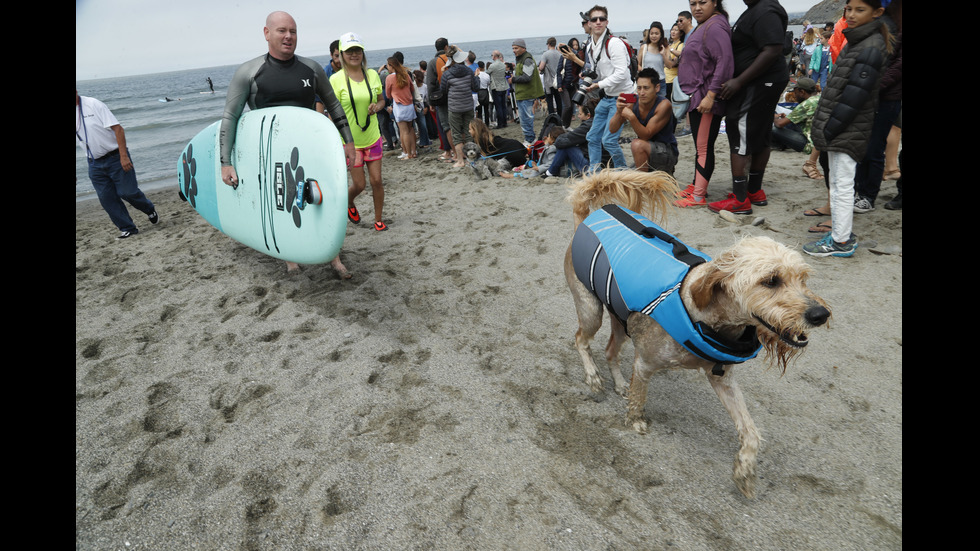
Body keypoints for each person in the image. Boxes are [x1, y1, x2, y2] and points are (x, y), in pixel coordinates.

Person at [219, 11, 355, 275]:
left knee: (323, 198)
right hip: (268, 154)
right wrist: (226, 162)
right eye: (282, 31)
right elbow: (230, 116)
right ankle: (290, 256)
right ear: (266, 33)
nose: (289, 36)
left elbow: (333, 105)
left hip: (310, 149)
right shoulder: (249, 71)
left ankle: (333, 257)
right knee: (279, 203)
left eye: (293, 31)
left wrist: (348, 142)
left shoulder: (311, 69)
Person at [804, 0, 894, 257]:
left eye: (860, 10)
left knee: (843, 183)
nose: (852, 15)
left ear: (877, 13)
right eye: (849, 9)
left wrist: (830, 128)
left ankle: (840, 241)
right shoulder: (859, 41)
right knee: (838, 180)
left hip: (847, 126)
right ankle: (840, 233)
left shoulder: (870, 46)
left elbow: (855, 96)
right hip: (842, 124)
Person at [709, 0, 789, 216]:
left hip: (759, 82)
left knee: (739, 128)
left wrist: (740, 81)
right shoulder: (758, 9)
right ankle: (754, 190)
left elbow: (773, 49)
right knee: (761, 131)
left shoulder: (765, 11)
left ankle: (740, 199)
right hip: (766, 81)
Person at [674, 0, 734, 207]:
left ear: (715, 2)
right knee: (700, 146)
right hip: (698, 96)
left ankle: (698, 195)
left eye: (703, 2)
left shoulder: (715, 25)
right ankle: (696, 185)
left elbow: (724, 62)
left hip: (706, 98)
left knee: (703, 147)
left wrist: (710, 95)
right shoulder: (706, 24)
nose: (697, 7)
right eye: (693, 3)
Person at [76, 90, 159, 239]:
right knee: (106, 198)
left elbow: (118, 129)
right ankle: (128, 228)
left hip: (115, 157)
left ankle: (149, 208)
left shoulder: (93, 104)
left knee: (128, 193)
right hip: (94, 163)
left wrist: (124, 156)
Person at [328, 32, 389, 235]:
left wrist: (378, 106)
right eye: (349, 51)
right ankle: (348, 202)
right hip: (350, 143)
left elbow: (382, 100)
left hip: (372, 137)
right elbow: (331, 112)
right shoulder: (335, 80)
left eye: (358, 50)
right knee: (360, 184)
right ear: (342, 54)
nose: (354, 54)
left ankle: (378, 219)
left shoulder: (372, 74)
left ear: (362, 52)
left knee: (377, 180)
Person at [853, 0, 901, 213]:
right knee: (865, 145)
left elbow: (896, 66)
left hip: (886, 96)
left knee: (873, 147)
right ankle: (862, 191)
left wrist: (871, 86)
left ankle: (867, 195)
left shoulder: (890, 25)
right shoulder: (884, 24)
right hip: (875, 94)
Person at [582, 4, 634, 170]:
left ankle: (622, 171)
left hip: (624, 97)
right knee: (592, 137)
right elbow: (601, 72)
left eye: (601, 19)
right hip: (608, 96)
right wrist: (589, 78)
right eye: (594, 19)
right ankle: (594, 173)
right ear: (588, 23)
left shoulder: (614, 43)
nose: (598, 22)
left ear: (606, 22)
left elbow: (622, 74)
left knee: (609, 140)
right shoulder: (591, 46)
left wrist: (598, 84)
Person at [608, 68, 677, 174]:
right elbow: (612, 129)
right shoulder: (634, 102)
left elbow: (646, 135)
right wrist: (619, 111)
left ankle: (643, 185)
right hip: (645, 150)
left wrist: (631, 117)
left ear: (657, 88)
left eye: (646, 88)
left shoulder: (664, 105)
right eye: (639, 88)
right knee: (625, 175)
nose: (642, 92)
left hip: (667, 152)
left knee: (637, 144)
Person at [440, 45, 480, 169]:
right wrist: (477, 77)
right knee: (469, 133)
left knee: (456, 134)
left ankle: (460, 161)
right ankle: (469, 160)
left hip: (454, 107)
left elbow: (443, 90)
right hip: (468, 105)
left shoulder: (447, 74)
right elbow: (475, 88)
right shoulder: (468, 71)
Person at [545, 101, 595, 177]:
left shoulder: (587, 126)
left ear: (588, 115)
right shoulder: (597, 122)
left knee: (566, 146)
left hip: (590, 166)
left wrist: (559, 139)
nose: (578, 116)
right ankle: (551, 171)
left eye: (580, 114)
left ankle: (551, 171)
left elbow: (565, 141)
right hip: (598, 162)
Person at [425, 38, 455, 162]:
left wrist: (431, 102)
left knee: (445, 125)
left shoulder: (433, 62)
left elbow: (431, 84)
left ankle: (448, 151)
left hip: (441, 98)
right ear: (446, 47)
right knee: (457, 124)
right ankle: (458, 150)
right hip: (456, 95)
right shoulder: (453, 59)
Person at [511, 39, 544, 146]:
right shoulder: (521, 59)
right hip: (522, 94)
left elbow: (527, 77)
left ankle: (530, 139)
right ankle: (529, 138)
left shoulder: (527, 59)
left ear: (523, 48)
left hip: (526, 94)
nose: (514, 50)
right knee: (525, 119)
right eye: (513, 48)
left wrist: (514, 79)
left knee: (526, 119)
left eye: (516, 48)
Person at [385, 55, 418, 160]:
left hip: (399, 105)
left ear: (391, 66)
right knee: (411, 129)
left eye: (388, 65)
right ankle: (413, 151)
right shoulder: (405, 74)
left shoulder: (389, 78)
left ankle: (408, 154)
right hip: (409, 104)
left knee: (404, 131)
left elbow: (388, 94)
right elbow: (412, 88)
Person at [556, 37, 584, 128]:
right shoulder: (563, 57)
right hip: (564, 85)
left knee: (571, 107)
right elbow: (559, 71)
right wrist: (559, 85)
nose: (575, 47)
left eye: (576, 45)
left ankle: (567, 126)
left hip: (573, 84)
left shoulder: (577, 57)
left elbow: (581, 66)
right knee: (567, 106)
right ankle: (562, 125)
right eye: (573, 45)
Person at [638, 22, 668, 98]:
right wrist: (644, 72)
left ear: (661, 34)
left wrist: (663, 54)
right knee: (646, 106)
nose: (654, 36)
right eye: (651, 33)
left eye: (656, 33)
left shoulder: (665, 47)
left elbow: (669, 65)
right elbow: (638, 64)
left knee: (661, 107)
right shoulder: (644, 47)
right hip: (646, 82)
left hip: (660, 82)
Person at [486, 51, 510, 129]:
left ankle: (500, 124)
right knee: (503, 105)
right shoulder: (503, 65)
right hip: (504, 86)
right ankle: (505, 122)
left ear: (494, 56)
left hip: (496, 87)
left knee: (498, 106)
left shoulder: (492, 66)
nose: (491, 57)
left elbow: (487, 73)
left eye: (492, 55)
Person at [539, 38, 563, 115]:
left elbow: (541, 67)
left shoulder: (545, 54)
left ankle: (552, 117)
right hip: (558, 80)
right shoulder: (559, 54)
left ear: (548, 44)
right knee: (558, 100)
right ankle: (560, 116)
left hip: (549, 81)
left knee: (549, 101)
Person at [663, 23, 686, 100]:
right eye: (672, 29)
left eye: (676, 30)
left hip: (672, 80)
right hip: (665, 78)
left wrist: (669, 49)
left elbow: (679, 55)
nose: (673, 32)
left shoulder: (680, 44)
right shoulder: (671, 44)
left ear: (681, 33)